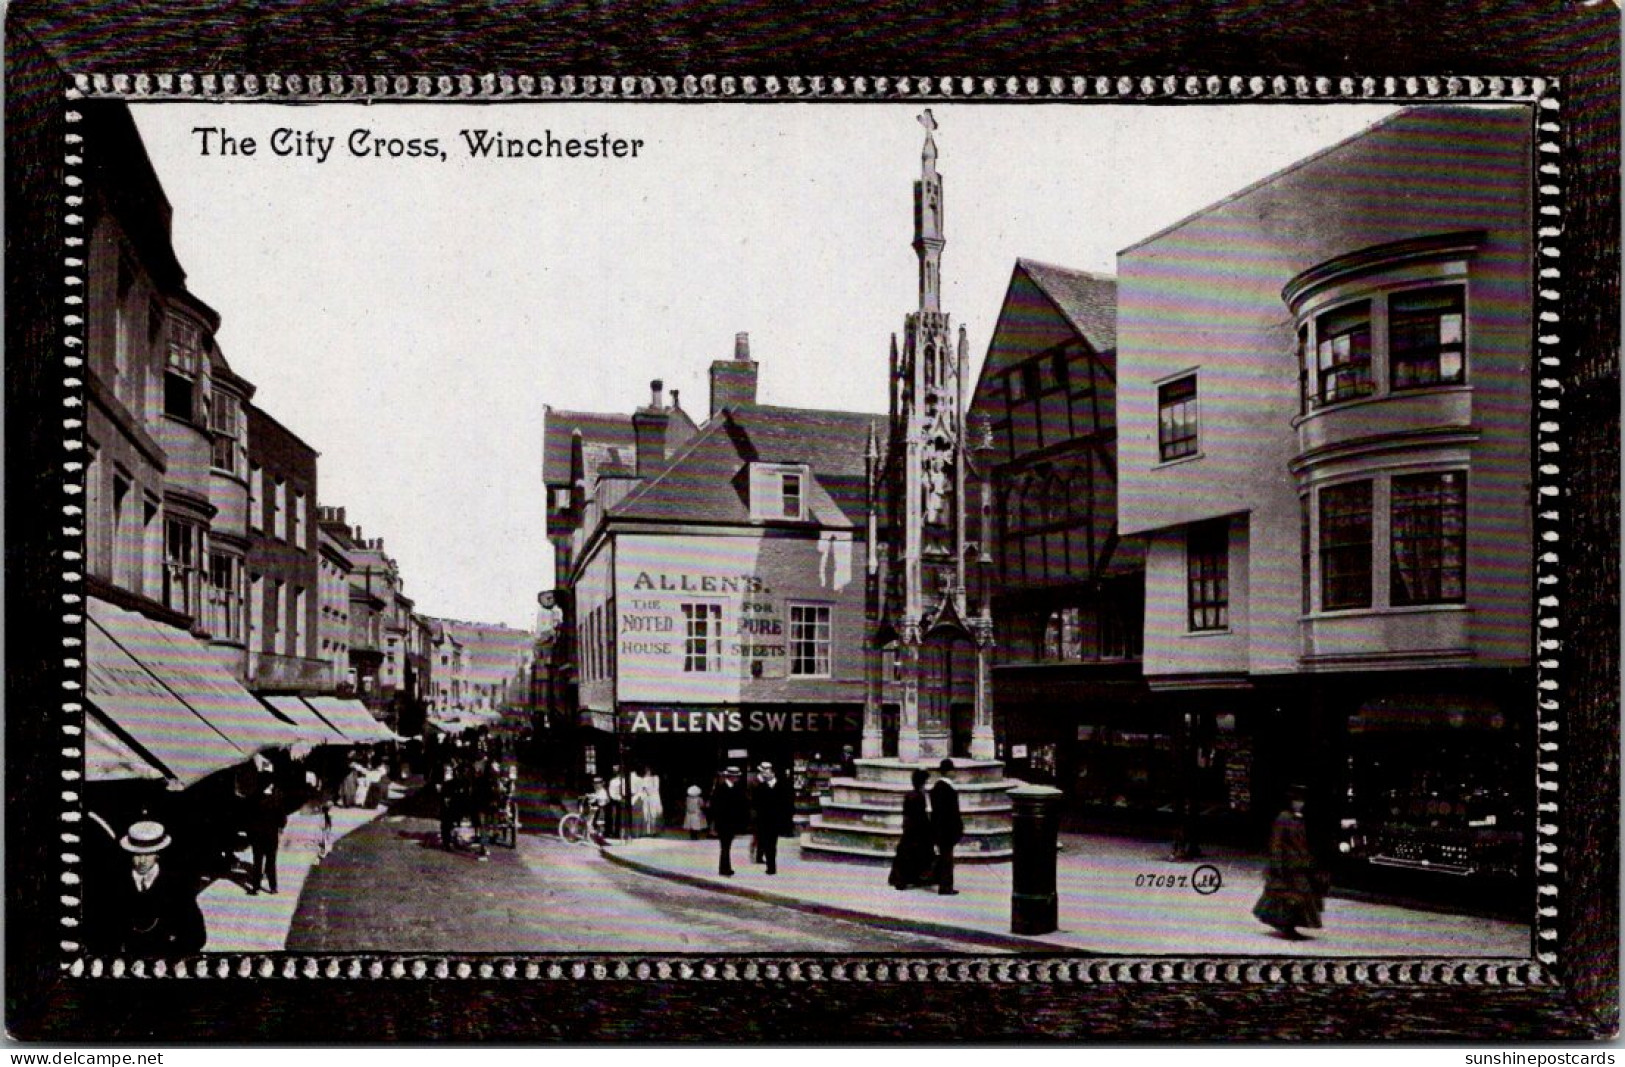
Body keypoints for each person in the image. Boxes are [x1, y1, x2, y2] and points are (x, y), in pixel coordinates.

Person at [106, 820, 207, 956]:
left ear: (157, 854)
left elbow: (196, 936)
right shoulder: (116, 884)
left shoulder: (177, 885)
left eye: (148, 854)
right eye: (137, 854)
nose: (142, 861)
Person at [1252, 784, 1327, 940]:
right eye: (1297, 801)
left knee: (1300, 895)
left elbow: (1302, 843)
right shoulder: (1284, 818)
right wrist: (1277, 865)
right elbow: (1276, 843)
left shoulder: (1299, 819)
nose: (1300, 804)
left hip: (1299, 864)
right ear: (1290, 802)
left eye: (1302, 801)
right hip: (1287, 864)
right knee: (1291, 895)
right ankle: (1288, 926)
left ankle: (1290, 925)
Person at [889, 768, 937, 890]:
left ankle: (901, 879)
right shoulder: (919, 797)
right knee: (916, 854)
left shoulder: (909, 795)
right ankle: (909, 878)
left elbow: (906, 813)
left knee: (906, 854)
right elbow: (921, 815)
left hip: (909, 828)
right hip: (917, 829)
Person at [245, 754, 287, 894]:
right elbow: (282, 817)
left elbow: (249, 818)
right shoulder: (277, 797)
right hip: (271, 835)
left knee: (258, 861)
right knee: (271, 862)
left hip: (258, 835)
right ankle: (273, 887)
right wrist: (281, 827)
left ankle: (255, 887)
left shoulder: (255, 797)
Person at [750, 761, 793, 875]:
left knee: (772, 844)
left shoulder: (781, 786)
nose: (765, 775)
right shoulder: (761, 787)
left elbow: (786, 804)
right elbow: (756, 803)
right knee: (766, 843)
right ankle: (770, 867)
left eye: (767, 773)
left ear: (773, 773)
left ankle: (771, 865)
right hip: (763, 820)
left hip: (776, 820)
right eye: (764, 773)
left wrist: (785, 819)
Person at [929, 758, 964, 895]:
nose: (954, 773)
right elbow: (950, 813)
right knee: (947, 859)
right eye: (953, 770)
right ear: (949, 772)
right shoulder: (947, 789)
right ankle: (945, 886)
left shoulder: (937, 788)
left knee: (945, 857)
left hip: (941, 829)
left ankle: (942, 882)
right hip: (946, 830)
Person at [709, 766, 750, 876]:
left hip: (731, 822)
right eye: (736, 776)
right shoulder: (721, 789)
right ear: (732, 777)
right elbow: (716, 807)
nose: (737, 778)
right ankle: (724, 868)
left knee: (727, 846)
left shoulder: (735, 788)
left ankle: (726, 867)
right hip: (723, 822)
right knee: (725, 846)